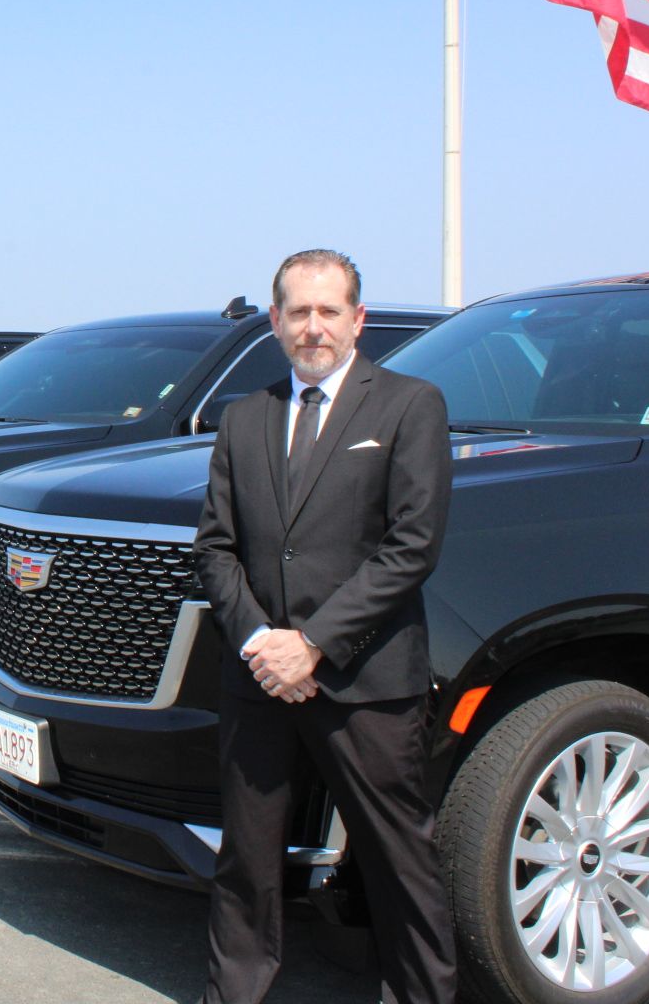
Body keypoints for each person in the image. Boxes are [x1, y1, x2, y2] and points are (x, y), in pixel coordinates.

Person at [192, 249, 455, 1004]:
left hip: (365, 681)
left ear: (357, 319)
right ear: (275, 321)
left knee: (398, 861)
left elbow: (412, 546)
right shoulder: (245, 417)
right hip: (259, 678)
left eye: (329, 311)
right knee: (246, 862)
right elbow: (215, 548)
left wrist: (312, 644)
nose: (314, 327)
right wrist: (261, 643)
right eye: (299, 312)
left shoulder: (410, 405)